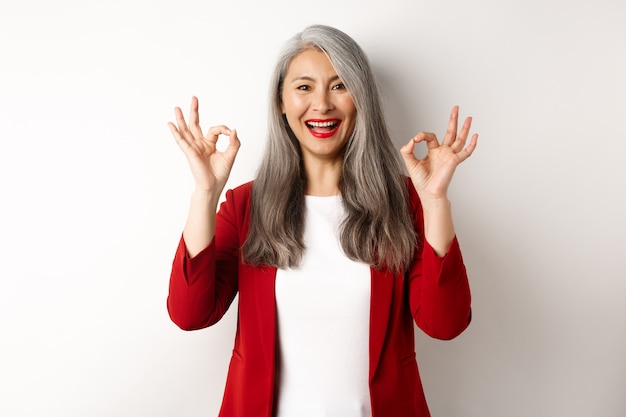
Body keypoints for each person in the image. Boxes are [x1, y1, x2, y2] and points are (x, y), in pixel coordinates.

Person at [167, 24, 477, 417]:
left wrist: (434, 202)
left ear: (360, 99)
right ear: (281, 101)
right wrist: (205, 194)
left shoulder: (403, 203)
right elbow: (190, 314)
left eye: (339, 85)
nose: (322, 105)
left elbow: (445, 323)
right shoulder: (246, 206)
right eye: (304, 87)